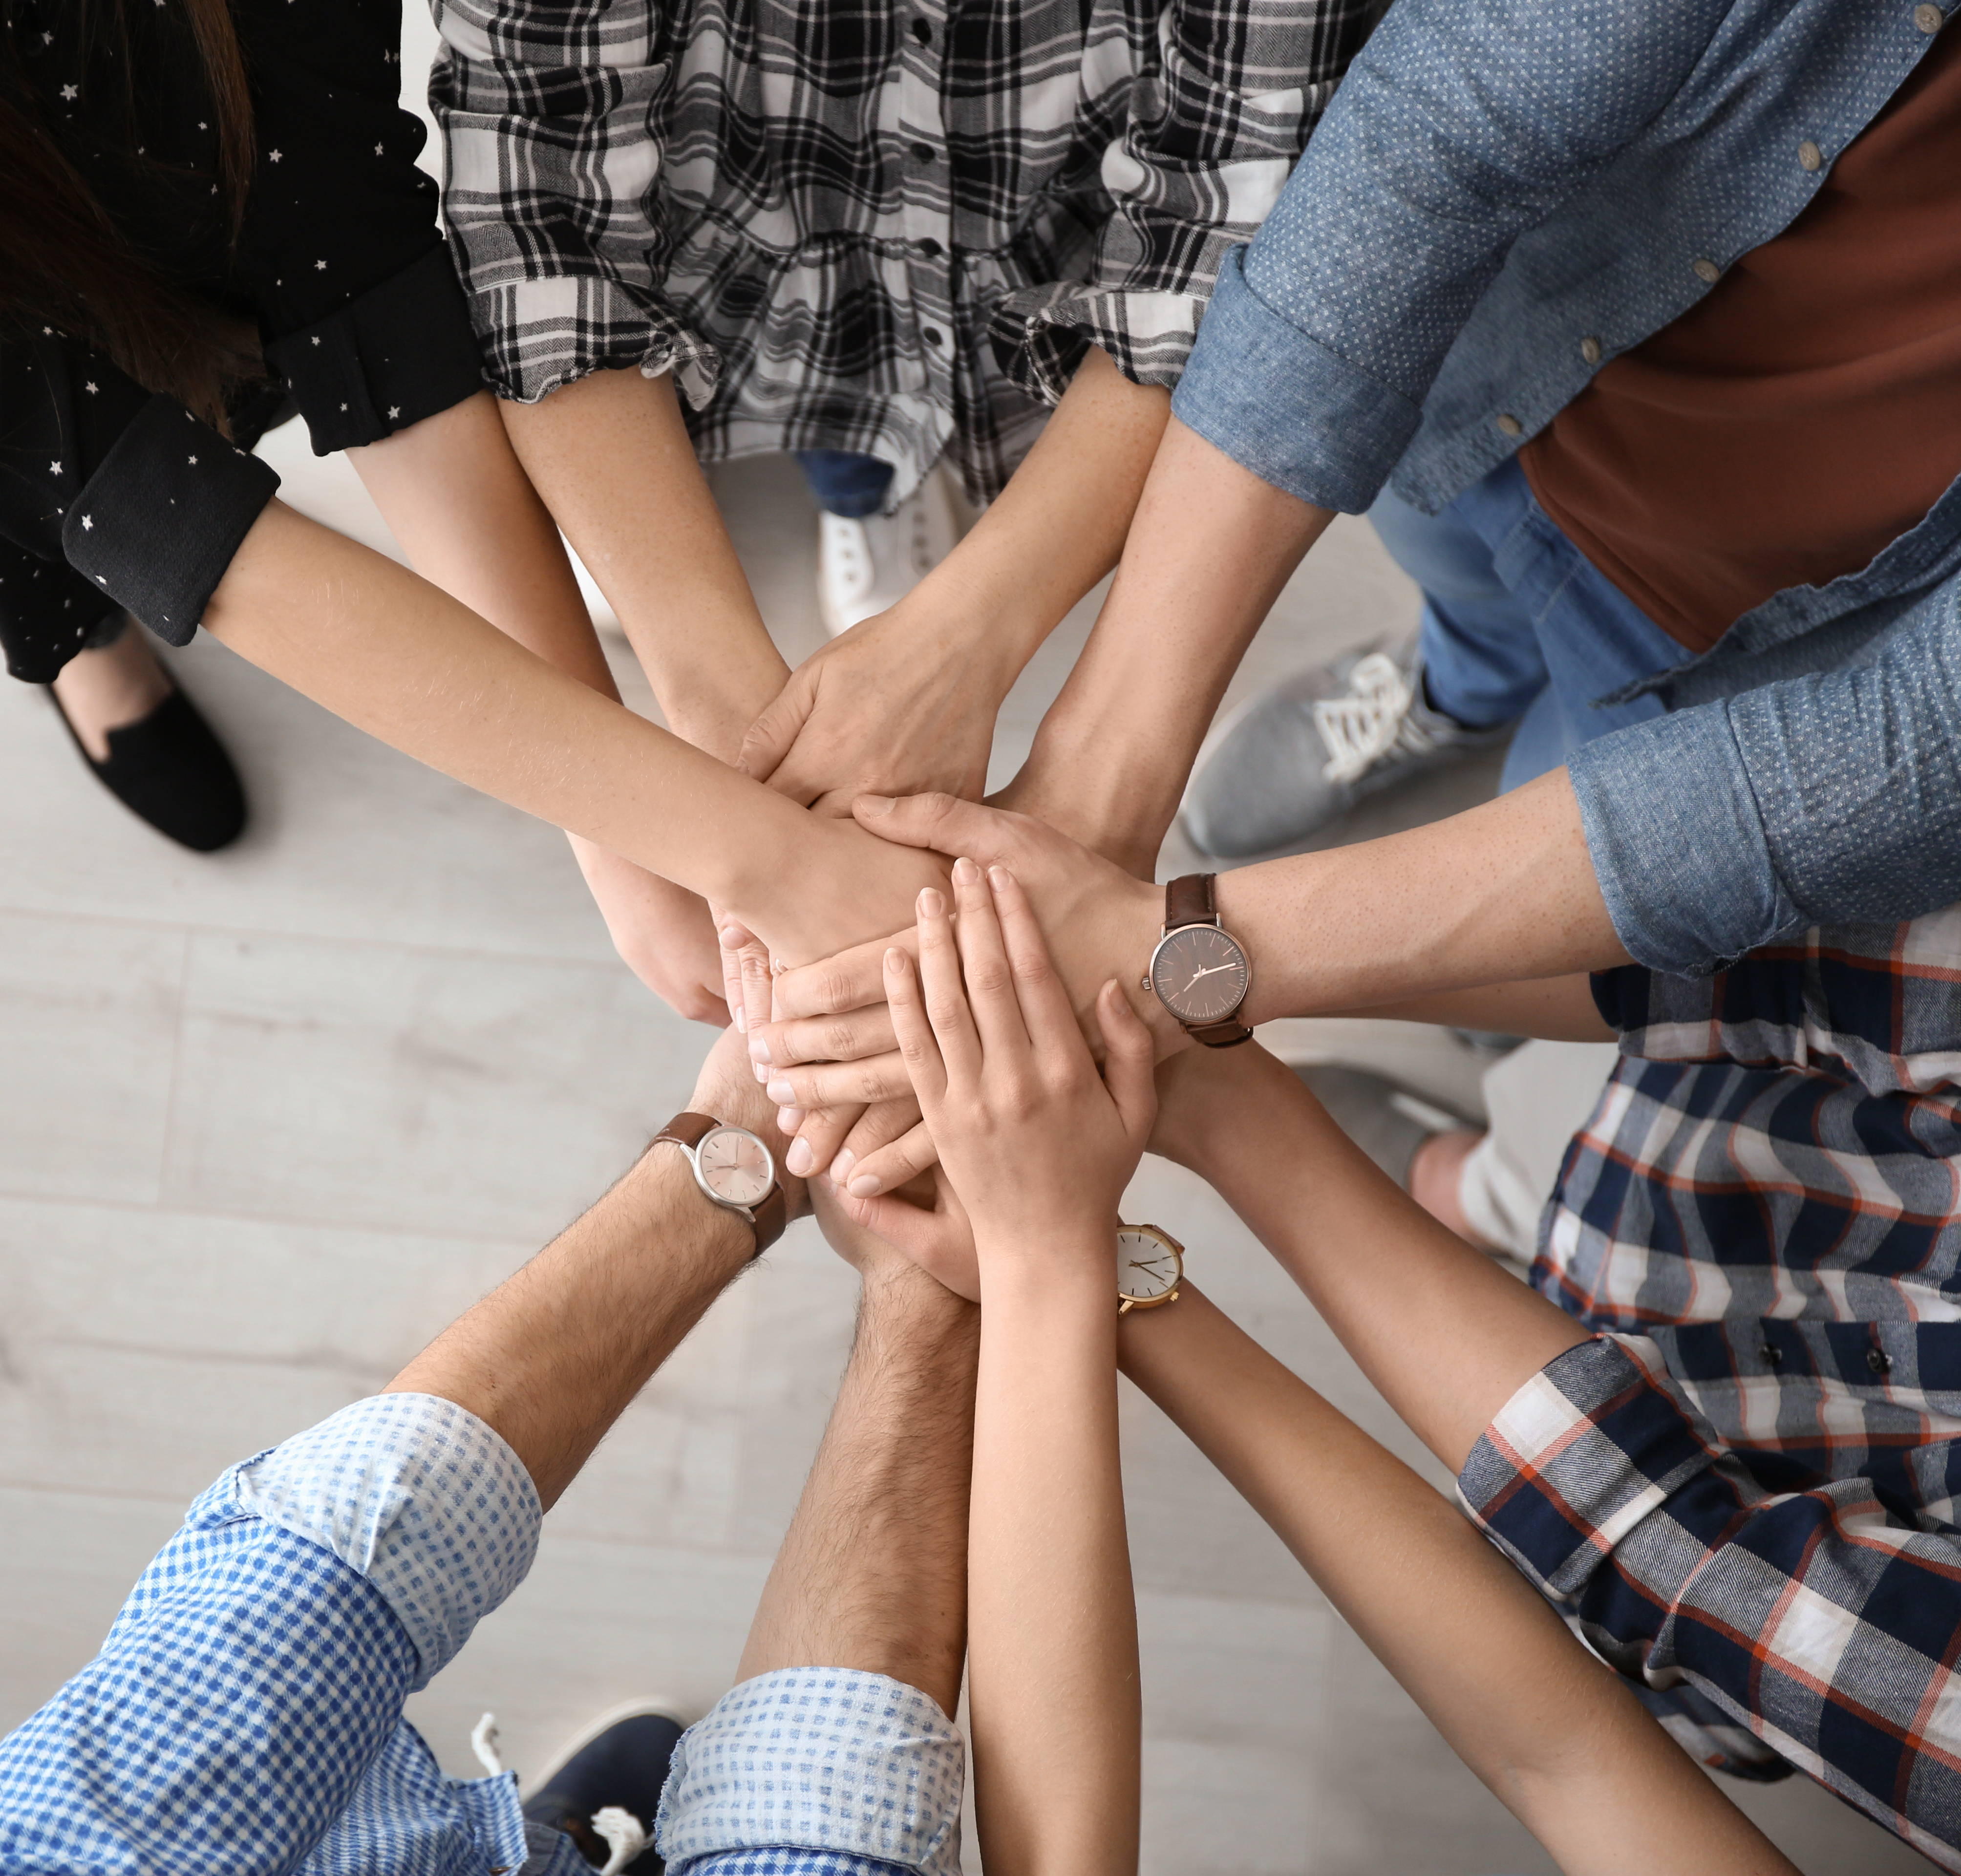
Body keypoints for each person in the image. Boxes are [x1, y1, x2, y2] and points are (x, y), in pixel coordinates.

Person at [428, 0, 1376, 829]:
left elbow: (1221, 219)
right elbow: (536, 201)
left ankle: (877, 504)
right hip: (748, 240)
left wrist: (966, 637)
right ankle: (843, 496)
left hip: (1054, 264)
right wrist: (722, 702)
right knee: (825, 405)